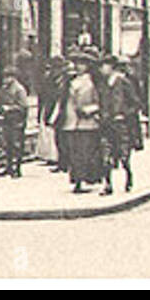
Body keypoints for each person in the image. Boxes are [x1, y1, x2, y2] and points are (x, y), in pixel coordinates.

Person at [54, 49, 106, 193]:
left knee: (85, 153)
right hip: (70, 123)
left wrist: (89, 110)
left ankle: (84, 180)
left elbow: (100, 102)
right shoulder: (70, 81)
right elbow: (62, 101)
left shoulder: (94, 82)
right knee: (73, 153)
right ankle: (76, 179)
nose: (78, 66)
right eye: (76, 63)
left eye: (82, 64)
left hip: (87, 123)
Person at [99, 56, 142, 194]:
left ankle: (128, 178)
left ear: (111, 67)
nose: (102, 69)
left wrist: (124, 113)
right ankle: (108, 185)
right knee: (106, 155)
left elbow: (135, 103)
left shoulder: (123, 82)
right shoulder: (103, 84)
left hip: (121, 125)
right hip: (106, 124)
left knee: (124, 156)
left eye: (104, 66)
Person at [0, 68, 30, 178]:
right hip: (7, 120)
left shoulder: (19, 90)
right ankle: (9, 167)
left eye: (7, 77)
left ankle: (17, 168)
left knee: (16, 145)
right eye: (4, 77)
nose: (5, 80)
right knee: (7, 144)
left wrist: (10, 108)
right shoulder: (5, 88)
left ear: (13, 77)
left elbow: (24, 106)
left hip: (17, 120)